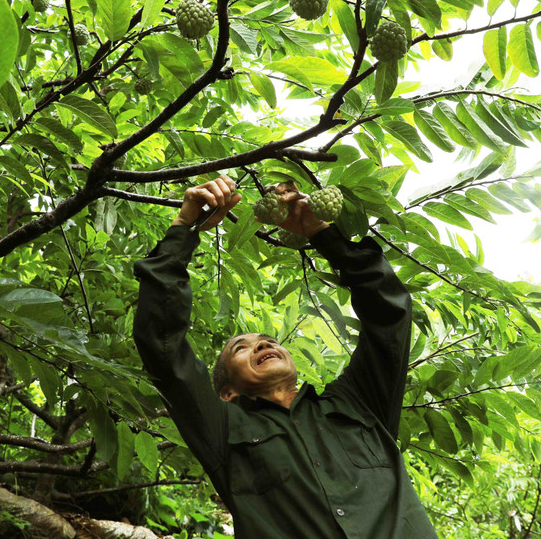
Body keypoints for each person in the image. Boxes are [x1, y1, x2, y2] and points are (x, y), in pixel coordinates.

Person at [133, 175, 438, 538]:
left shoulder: (359, 405)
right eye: (241, 347)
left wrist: (322, 233)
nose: (262, 345)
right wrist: (184, 228)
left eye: (267, 340)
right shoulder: (225, 431)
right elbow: (162, 347)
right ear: (228, 392)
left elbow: (390, 315)